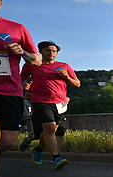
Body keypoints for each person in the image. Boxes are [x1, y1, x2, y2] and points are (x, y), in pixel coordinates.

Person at [0, 0, 42, 177]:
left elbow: (37, 60)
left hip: (11, 91)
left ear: (0, 4)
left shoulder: (16, 28)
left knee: (7, 141)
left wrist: (22, 52)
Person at [21, 41, 81, 169]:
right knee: (49, 127)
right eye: (48, 50)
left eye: (54, 51)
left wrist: (67, 78)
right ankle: (56, 157)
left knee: (51, 130)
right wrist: (24, 86)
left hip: (60, 103)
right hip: (40, 101)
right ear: (41, 51)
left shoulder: (64, 66)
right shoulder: (32, 64)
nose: (52, 53)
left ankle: (38, 149)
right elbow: (21, 79)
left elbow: (77, 84)